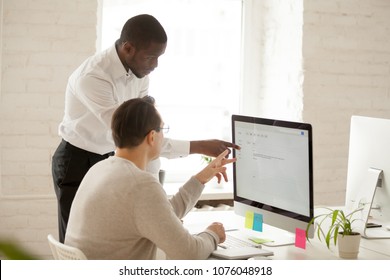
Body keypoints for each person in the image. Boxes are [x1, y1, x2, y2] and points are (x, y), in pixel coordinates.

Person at [52, 13, 239, 243]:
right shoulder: (93, 77)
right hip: (77, 160)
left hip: (109, 159)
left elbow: (145, 134)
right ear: (128, 48)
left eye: (159, 57)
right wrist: (199, 146)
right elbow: (137, 135)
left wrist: (157, 200)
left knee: (115, 239)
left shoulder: (140, 73)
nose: (155, 65)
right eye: (151, 57)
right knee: (76, 242)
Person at [65, 98, 235, 259]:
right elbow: (189, 254)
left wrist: (202, 178)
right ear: (152, 136)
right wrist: (212, 234)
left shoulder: (99, 169)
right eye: (163, 129)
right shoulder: (140, 184)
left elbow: (160, 215)